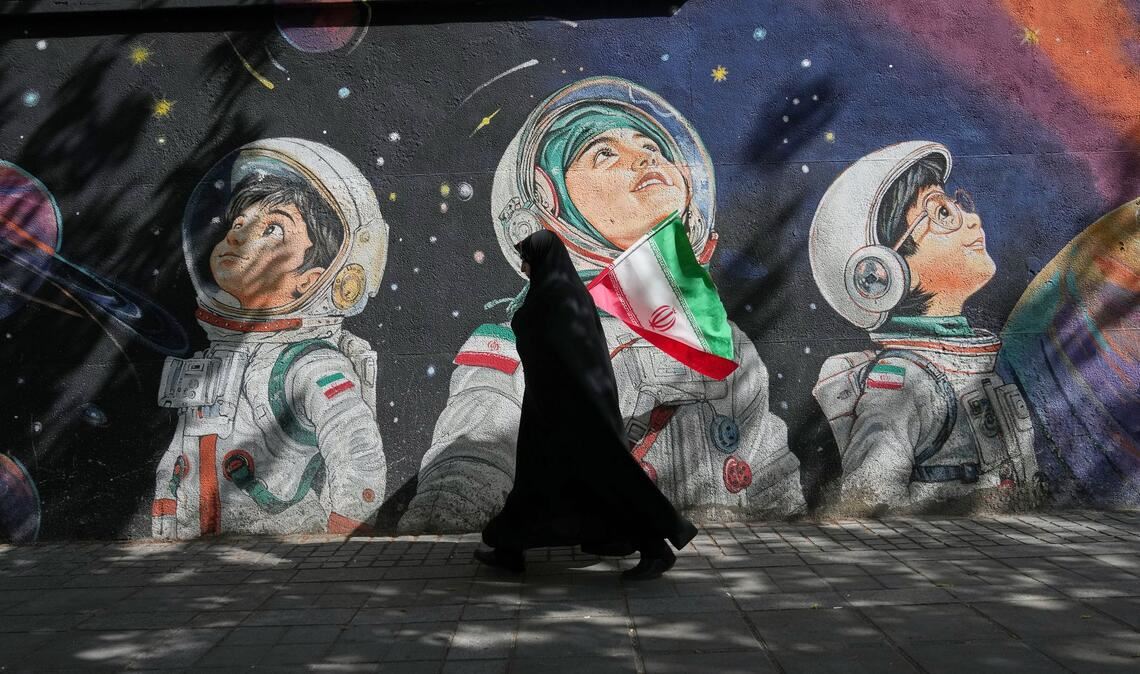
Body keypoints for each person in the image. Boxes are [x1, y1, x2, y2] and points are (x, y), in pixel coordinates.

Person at [399, 77, 804, 535]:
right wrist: (441, 524)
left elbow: (765, 457)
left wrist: (795, 536)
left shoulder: (720, 335)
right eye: (604, 153)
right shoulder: (508, 339)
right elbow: (474, 450)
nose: (647, 156)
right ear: (552, 205)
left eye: (651, 145)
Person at [151, 137, 389, 538]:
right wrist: (165, 523)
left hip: (282, 544)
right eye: (238, 223)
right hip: (198, 548)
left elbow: (357, 451)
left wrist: (348, 542)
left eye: (273, 228)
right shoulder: (215, 359)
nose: (237, 236)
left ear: (314, 280)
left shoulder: (308, 364)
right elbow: (178, 456)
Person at [809, 141, 1039, 512]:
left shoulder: (974, 371)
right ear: (881, 273)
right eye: (942, 212)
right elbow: (868, 499)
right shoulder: (905, 381)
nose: (973, 219)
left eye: (956, 205)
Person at [475, 230, 698, 579]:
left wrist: (523, 321)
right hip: (552, 408)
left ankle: (657, 548)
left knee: (608, 480)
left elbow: (547, 340)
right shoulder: (559, 294)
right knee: (537, 480)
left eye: (528, 259)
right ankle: (509, 548)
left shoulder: (559, 298)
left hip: (575, 413)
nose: (523, 266)